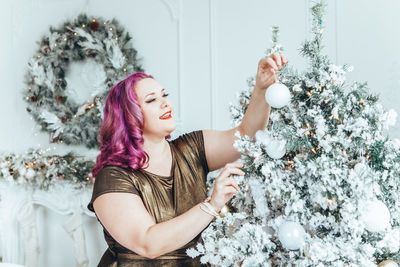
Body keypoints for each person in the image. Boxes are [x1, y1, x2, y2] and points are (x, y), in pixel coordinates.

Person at [87, 53, 288, 266]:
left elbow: (246, 135)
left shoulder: (190, 149)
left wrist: (262, 89)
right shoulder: (111, 178)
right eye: (152, 99)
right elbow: (148, 244)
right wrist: (212, 205)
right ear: (128, 116)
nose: (165, 103)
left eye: (165, 95)